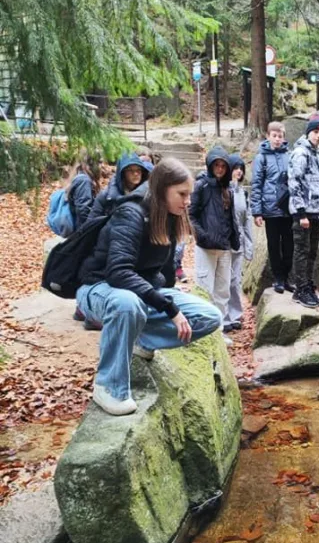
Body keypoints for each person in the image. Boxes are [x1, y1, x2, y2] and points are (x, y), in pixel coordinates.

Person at [76, 158, 222, 416]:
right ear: (163, 189)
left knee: (209, 317)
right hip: (98, 289)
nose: (188, 201)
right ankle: (109, 386)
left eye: (190, 195)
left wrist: (172, 299)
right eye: (183, 194)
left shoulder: (168, 215)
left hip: (136, 293)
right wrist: (170, 309)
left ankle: (140, 340)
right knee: (126, 304)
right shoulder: (130, 214)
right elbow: (118, 272)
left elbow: (162, 273)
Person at [189, 146, 240, 319]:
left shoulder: (228, 189)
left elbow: (231, 217)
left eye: (223, 166)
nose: (219, 169)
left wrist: (234, 238)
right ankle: (205, 331)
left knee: (222, 291)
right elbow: (190, 215)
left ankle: (219, 329)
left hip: (224, 247)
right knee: (205, 289)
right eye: (216, 165)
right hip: (206, 247)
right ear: (210, 166)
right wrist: (202, 235)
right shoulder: (201, 186)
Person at [288, 114, 319, 309]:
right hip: (303, 213)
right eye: (315, 132)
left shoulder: (318, 157)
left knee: (312, 252)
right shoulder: (300, 153)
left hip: (316, 213)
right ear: (308, 132)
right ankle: (301, 288)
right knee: (302, 252)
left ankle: (307, 286)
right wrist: (300, 213)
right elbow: (294, 182)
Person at [251, 121, 293, 293]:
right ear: (268, 136)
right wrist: (257, 211)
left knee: (289, 245)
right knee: (274, 245)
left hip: (288, 208)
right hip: (270, 209)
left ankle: (287, 276)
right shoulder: (261, 157)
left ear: (284, 138)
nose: (277, 139)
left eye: (280, 136)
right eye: (274, 136)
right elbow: (256, 184)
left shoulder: (289, 156)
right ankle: (278, 279)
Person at [223, 154, 253, 332]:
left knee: (235, 280)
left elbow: (246, 219)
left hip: (239, 242)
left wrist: (249, 244)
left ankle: (234, 315)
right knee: (224, 281)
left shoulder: (244, 192)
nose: (239, 171)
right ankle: (224, 317)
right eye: (235, 168)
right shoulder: (223, 190)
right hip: (225, 242)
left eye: (241, 168)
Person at [89, 153, 147, 220]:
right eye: (130, 170)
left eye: (138, 169)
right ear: (122, 172)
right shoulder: (106, 196)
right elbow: (91, 223)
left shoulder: (147, 195)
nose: (136, 173)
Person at [68, 154, 102, 231]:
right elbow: (83, 210)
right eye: (99, 163)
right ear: (92, 164)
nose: (101, 167)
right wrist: (92, 229)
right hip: (83, 231)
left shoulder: (83, 177)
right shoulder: (83, 180)